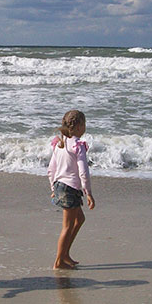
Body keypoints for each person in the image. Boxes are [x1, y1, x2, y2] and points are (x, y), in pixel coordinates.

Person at [47, 110, 95, 269]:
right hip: (70, 188)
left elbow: (51, 169)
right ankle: (58, 261)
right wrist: (88, 193)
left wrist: (53, 186)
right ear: (80, 126)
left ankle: (65, 254)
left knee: (79, 219)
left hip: (60, 185)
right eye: (85, 124)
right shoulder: (78, 145)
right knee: (67, 226)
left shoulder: (60, 143)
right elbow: (83, 171)